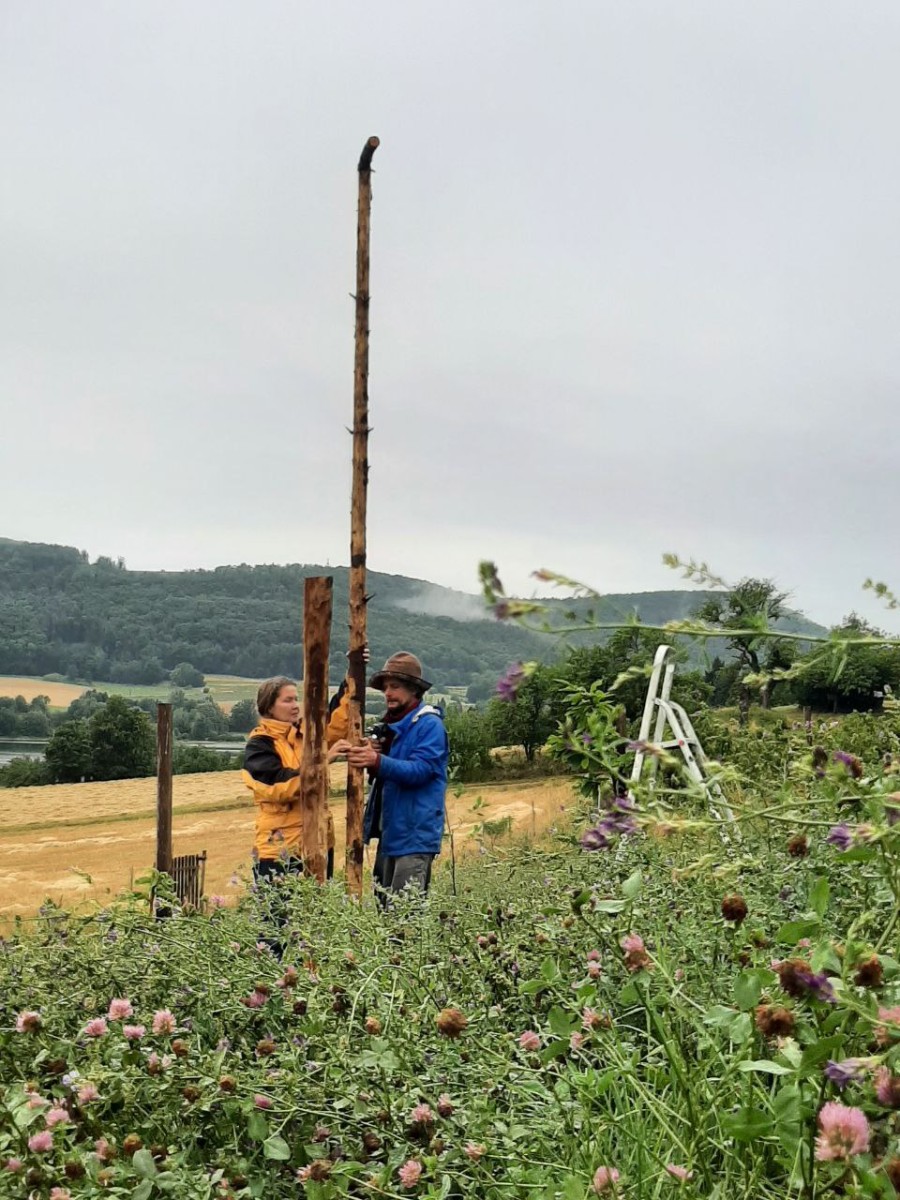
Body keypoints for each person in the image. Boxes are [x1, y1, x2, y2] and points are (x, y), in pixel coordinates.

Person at [349, 652, 448, 902]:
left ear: (414, 690)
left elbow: (421, 771)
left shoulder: (428, 725)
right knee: (385, 916)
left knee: (406, 919)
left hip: (414, 836)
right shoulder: (394, 727)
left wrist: (377, 761)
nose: (388, 693)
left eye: (395, 687)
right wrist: (376, 757)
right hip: (391, 834)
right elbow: (389, 776)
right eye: (385, 688)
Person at [242, 675, 350, 883]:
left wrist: (352, 676)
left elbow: (337, 721)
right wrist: (324, 761)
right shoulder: (259, 745)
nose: (295, 706)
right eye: (287, 700)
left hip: (319, 842)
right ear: (269, 707)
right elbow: (280, 786)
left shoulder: (306, 735)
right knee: (280, 915)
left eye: (296, 699)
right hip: (280, 851)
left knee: (318, 913)